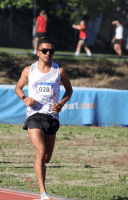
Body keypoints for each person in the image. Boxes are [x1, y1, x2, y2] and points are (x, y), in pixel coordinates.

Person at [15, 37, 73, 200]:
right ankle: (43, 193)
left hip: (51, 116)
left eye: (51, 51)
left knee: (46, 158)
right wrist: (25, 98)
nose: (48, 53)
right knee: (40, 151)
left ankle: (40, 171)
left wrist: (61, 103)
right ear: (37, 52)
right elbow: (18, 88)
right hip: (34, 115)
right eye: (45, 51)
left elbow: (69, 90)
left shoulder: (59, 71)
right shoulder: (29, 70)